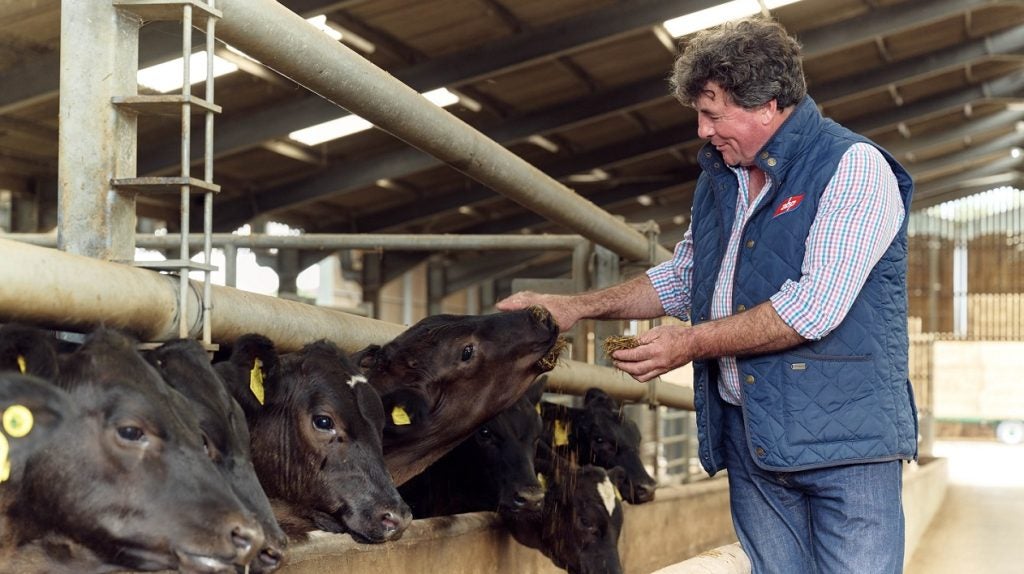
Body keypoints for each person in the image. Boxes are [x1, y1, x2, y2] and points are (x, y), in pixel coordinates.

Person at [497, 16, 917, 574]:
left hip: (845, 441)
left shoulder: (852, 167)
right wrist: (576, 307)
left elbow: (813, 307)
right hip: (755, 439)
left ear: (767, 103)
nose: (701, 131)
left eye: (713, 113)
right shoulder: (722, 178)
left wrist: (689, 343)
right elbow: (683, 278)